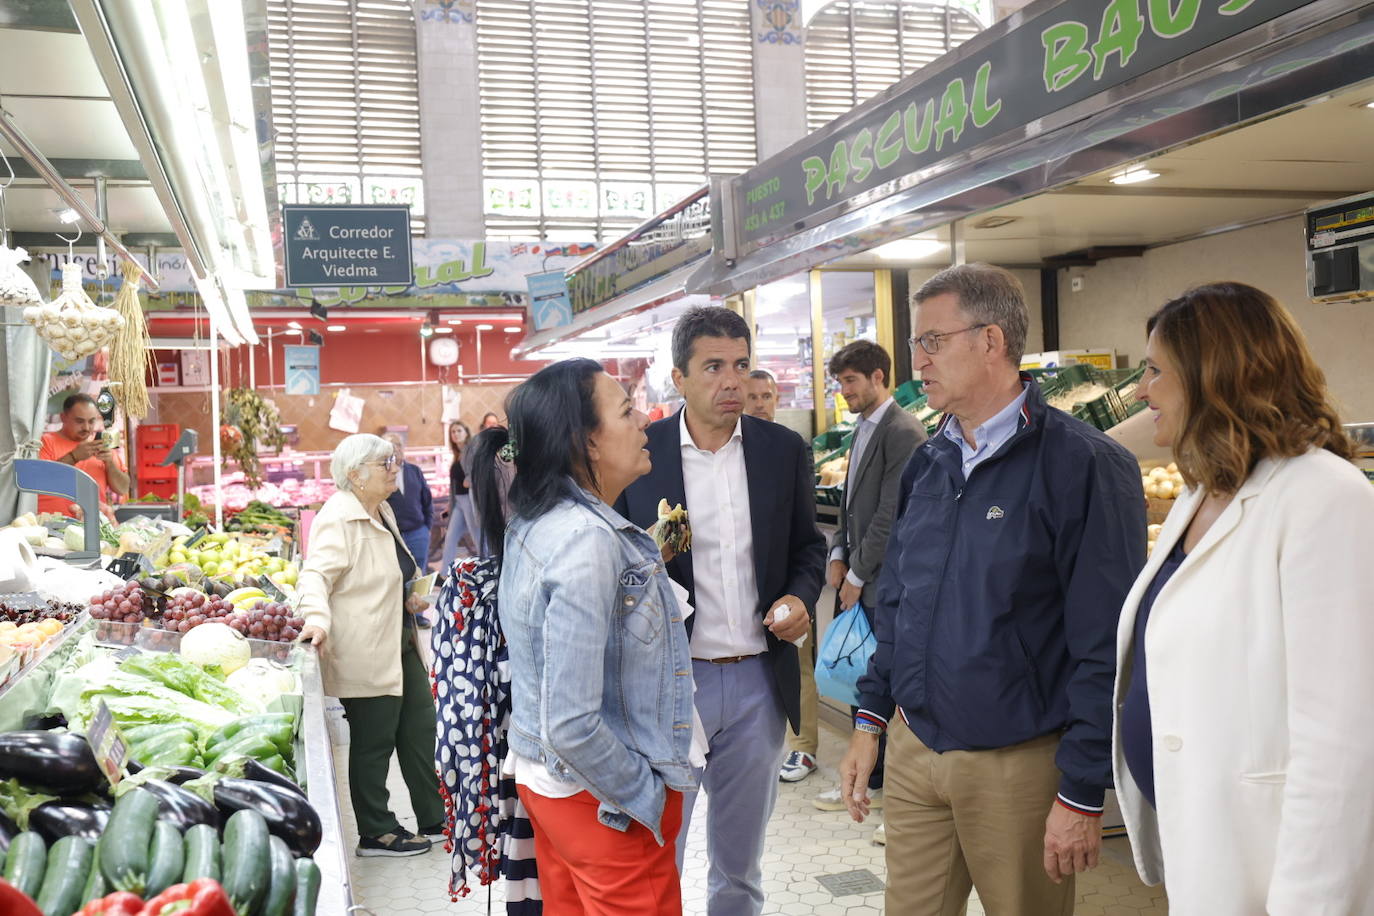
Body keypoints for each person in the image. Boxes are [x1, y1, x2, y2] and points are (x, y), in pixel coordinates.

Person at [839, 264, 1146, 916]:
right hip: (917, 749)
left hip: (1018, 765)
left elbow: (1107, 644)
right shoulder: (929, 460)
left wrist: (1083, 789)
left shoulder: (1084, 464)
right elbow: (899, 601)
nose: (916, 361)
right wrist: (870, 719)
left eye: (931, 341)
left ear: (990, 341)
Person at [1114, 283, 1374, 914]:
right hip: (1202, 844)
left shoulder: (1323, 497)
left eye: (1154, 371)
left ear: (1213, 376)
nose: (1142, 389)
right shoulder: (1202, 490)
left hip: (1273, 868)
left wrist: (1308, 902)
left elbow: (1340, 742)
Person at [467, 358, 696, 915]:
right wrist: (645, 795)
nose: (644, 420)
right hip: (601, 800)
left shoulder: (539, 521)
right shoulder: (585, 540)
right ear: (588, 442)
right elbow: (571, 723)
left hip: (554, 791)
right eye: (626, 411)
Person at [618, 306, 827, 915]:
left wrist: (799, 596)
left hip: (758, 681)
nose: (731, 381)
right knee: (659, 855)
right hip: (669, 685)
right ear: (678, 378)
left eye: (740, 365)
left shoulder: (781, 451)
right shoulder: (640, 454)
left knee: (739, 866)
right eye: (713, 367)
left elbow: (807, 549)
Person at [797, 341, 926, 844]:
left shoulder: (903, 431)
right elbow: (853, 508)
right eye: (839, 382)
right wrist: (836, 556)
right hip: (858, 578)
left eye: (851, 381)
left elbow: (890, 515)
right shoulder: (864, 429)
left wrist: (857, 575)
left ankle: (901, 804)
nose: (843, 391)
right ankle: (865, 781)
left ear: (878, 377)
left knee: (889, 686)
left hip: (886, 583)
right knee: (863, 677)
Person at [297, 434, 444, 857]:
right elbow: (315, 576)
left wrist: (410, 595)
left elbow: (392, 570)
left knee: (420, 728)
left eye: (393, 460)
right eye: (386, 462)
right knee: (374, 741)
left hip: (398, 639)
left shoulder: (379, 510)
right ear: (355, 474)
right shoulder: (338, 518)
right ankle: (376, 831)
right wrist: (317, 620)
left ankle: (434, 816)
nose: (395, 467)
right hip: (363, 647)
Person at [38, 393, 129, 516]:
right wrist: (74, 456)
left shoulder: (101, 446)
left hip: (93, 525)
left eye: (91, 421)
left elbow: (123, 489)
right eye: (79, 421)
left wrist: (110, 463)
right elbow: (40, 480)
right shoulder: (46, 442)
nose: (86, 427)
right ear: (63, 417)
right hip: (52, 526)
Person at [440, 420, 476, 570]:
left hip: (470, 500)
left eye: (459, 431)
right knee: (450, 537)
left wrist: (470, 480)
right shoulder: (458, 454)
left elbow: (479, 471)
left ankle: (491, 567)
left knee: (477, 536)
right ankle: (444, 573)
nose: (455, 434)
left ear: (466, 432)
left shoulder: (472, 451)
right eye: (453, 432)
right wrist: (450, 503)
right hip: (459, 502)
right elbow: (454, 484)